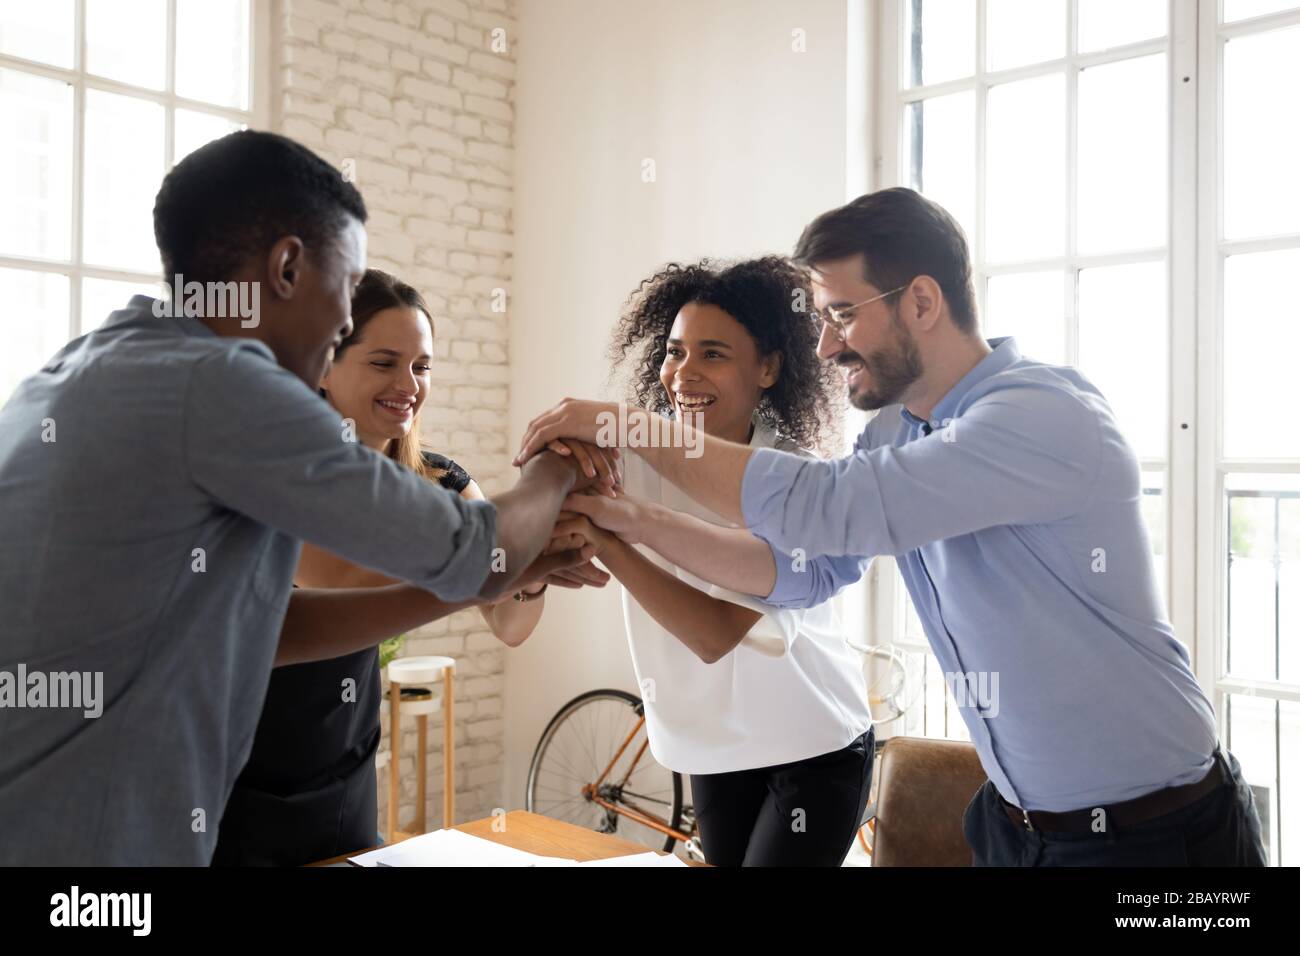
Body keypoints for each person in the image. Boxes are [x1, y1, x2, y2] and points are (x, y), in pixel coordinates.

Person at [516, 188, 1267, 867]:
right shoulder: (895, 438)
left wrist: (624, 424)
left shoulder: (1038, 414)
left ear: (921, 302)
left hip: (1158, 837)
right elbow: (799, 567)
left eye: (842, 314)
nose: (826, 345)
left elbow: (832, 507)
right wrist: (625, 518)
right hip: (1016, 830)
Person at [0, 131, 613, 865]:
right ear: (288, 266)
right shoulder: (223, 385)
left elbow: (268, 627)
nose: (344, 325)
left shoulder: (82, 367)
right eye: (347, 288)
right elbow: (472, 554)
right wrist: (555, 463)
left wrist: (486, 577)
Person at [212, 269, 578, 865]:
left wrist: (530, 573)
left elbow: (510, 624)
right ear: (324, 368)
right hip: (235, 775)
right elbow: (344, 577)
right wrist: (509, 552)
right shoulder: (277, 478)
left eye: (422, 366)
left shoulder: (441, 480)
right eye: (385, 362)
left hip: (343, 775)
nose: (409, 383)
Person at [545, 258, 874, 866]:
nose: (684, 373)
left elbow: (714, 633)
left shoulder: (791, 480)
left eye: (713, 354)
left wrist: (612, 541)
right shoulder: (631, 461)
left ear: (768, 368)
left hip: (813, 746)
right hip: (711, 747)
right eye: (674, 352)